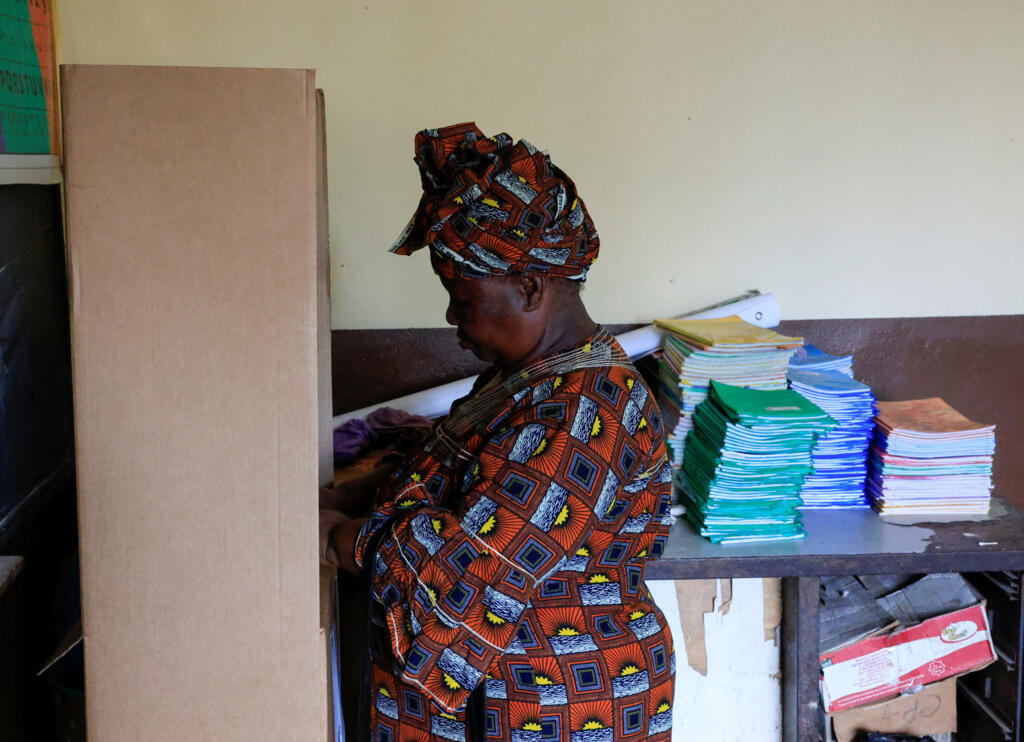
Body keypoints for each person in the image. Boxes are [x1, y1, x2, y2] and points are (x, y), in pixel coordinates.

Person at [321, 122, 675, 742]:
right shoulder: (527, 379)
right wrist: (353, 497)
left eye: (461, 296)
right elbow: (454, 475)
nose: (452, 318)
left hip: (545, 708)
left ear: (530, 287)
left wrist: (336, 539)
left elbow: (469, 567)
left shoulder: (585, 412)